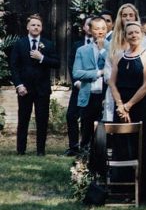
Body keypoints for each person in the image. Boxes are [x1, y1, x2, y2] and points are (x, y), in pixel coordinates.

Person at [109, 21, 146, 202]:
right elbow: (112, 82)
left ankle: (144, 193)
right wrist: (120, 105)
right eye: (130, 33)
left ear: (142, 35)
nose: (134, 35)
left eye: (137, 32)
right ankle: (121, 190)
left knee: (141, 147)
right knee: (122, 147)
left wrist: (129, 105)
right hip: (121, 108)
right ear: (125, 36)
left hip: (139, 107)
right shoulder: (118, 56)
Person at [10, 14, 59, 156]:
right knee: (23, 119)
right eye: (33, 25)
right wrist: (19, 85)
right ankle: (20, 150)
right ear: (27, 27)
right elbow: (14, 66)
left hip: (42, 89)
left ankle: (40, 151)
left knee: (42, 120)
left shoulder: (48, 44)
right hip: (24, 89)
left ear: (41, 28)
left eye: (38, 25)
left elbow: (57, 63)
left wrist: (42, 58)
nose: (36, 27)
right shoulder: (20, 43)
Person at [104, 4, 146, 120]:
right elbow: (108, 68)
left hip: (136, 91)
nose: (127, 18)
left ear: (135, 18)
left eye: (131, 15)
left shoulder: (143, 40)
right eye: (124, 15)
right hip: (116, 90)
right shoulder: (113, 41)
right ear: (120, 18)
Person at [73, 17, 108, 150]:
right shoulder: (82, 50)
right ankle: (82, 165)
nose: (100, 32)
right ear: (90, 30)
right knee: (86, 132)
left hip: (105, 97)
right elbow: (77, 73)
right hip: (88, 95)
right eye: (97, 28)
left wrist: (103, 50)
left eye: (103, 28)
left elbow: (113, 66)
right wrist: (98, 73)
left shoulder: (112, 48)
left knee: (102, 134)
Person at [65, 17, 94, 156]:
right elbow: (71, 65)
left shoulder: (101, 45)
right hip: (79, 87)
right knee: (71, 116)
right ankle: (73, 147)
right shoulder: (77, 45)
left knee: (87, 118)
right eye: (88, 24)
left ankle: (86, 146)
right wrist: (76, 82)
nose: (91, 27)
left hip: (94, 88)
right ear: (84, 27)